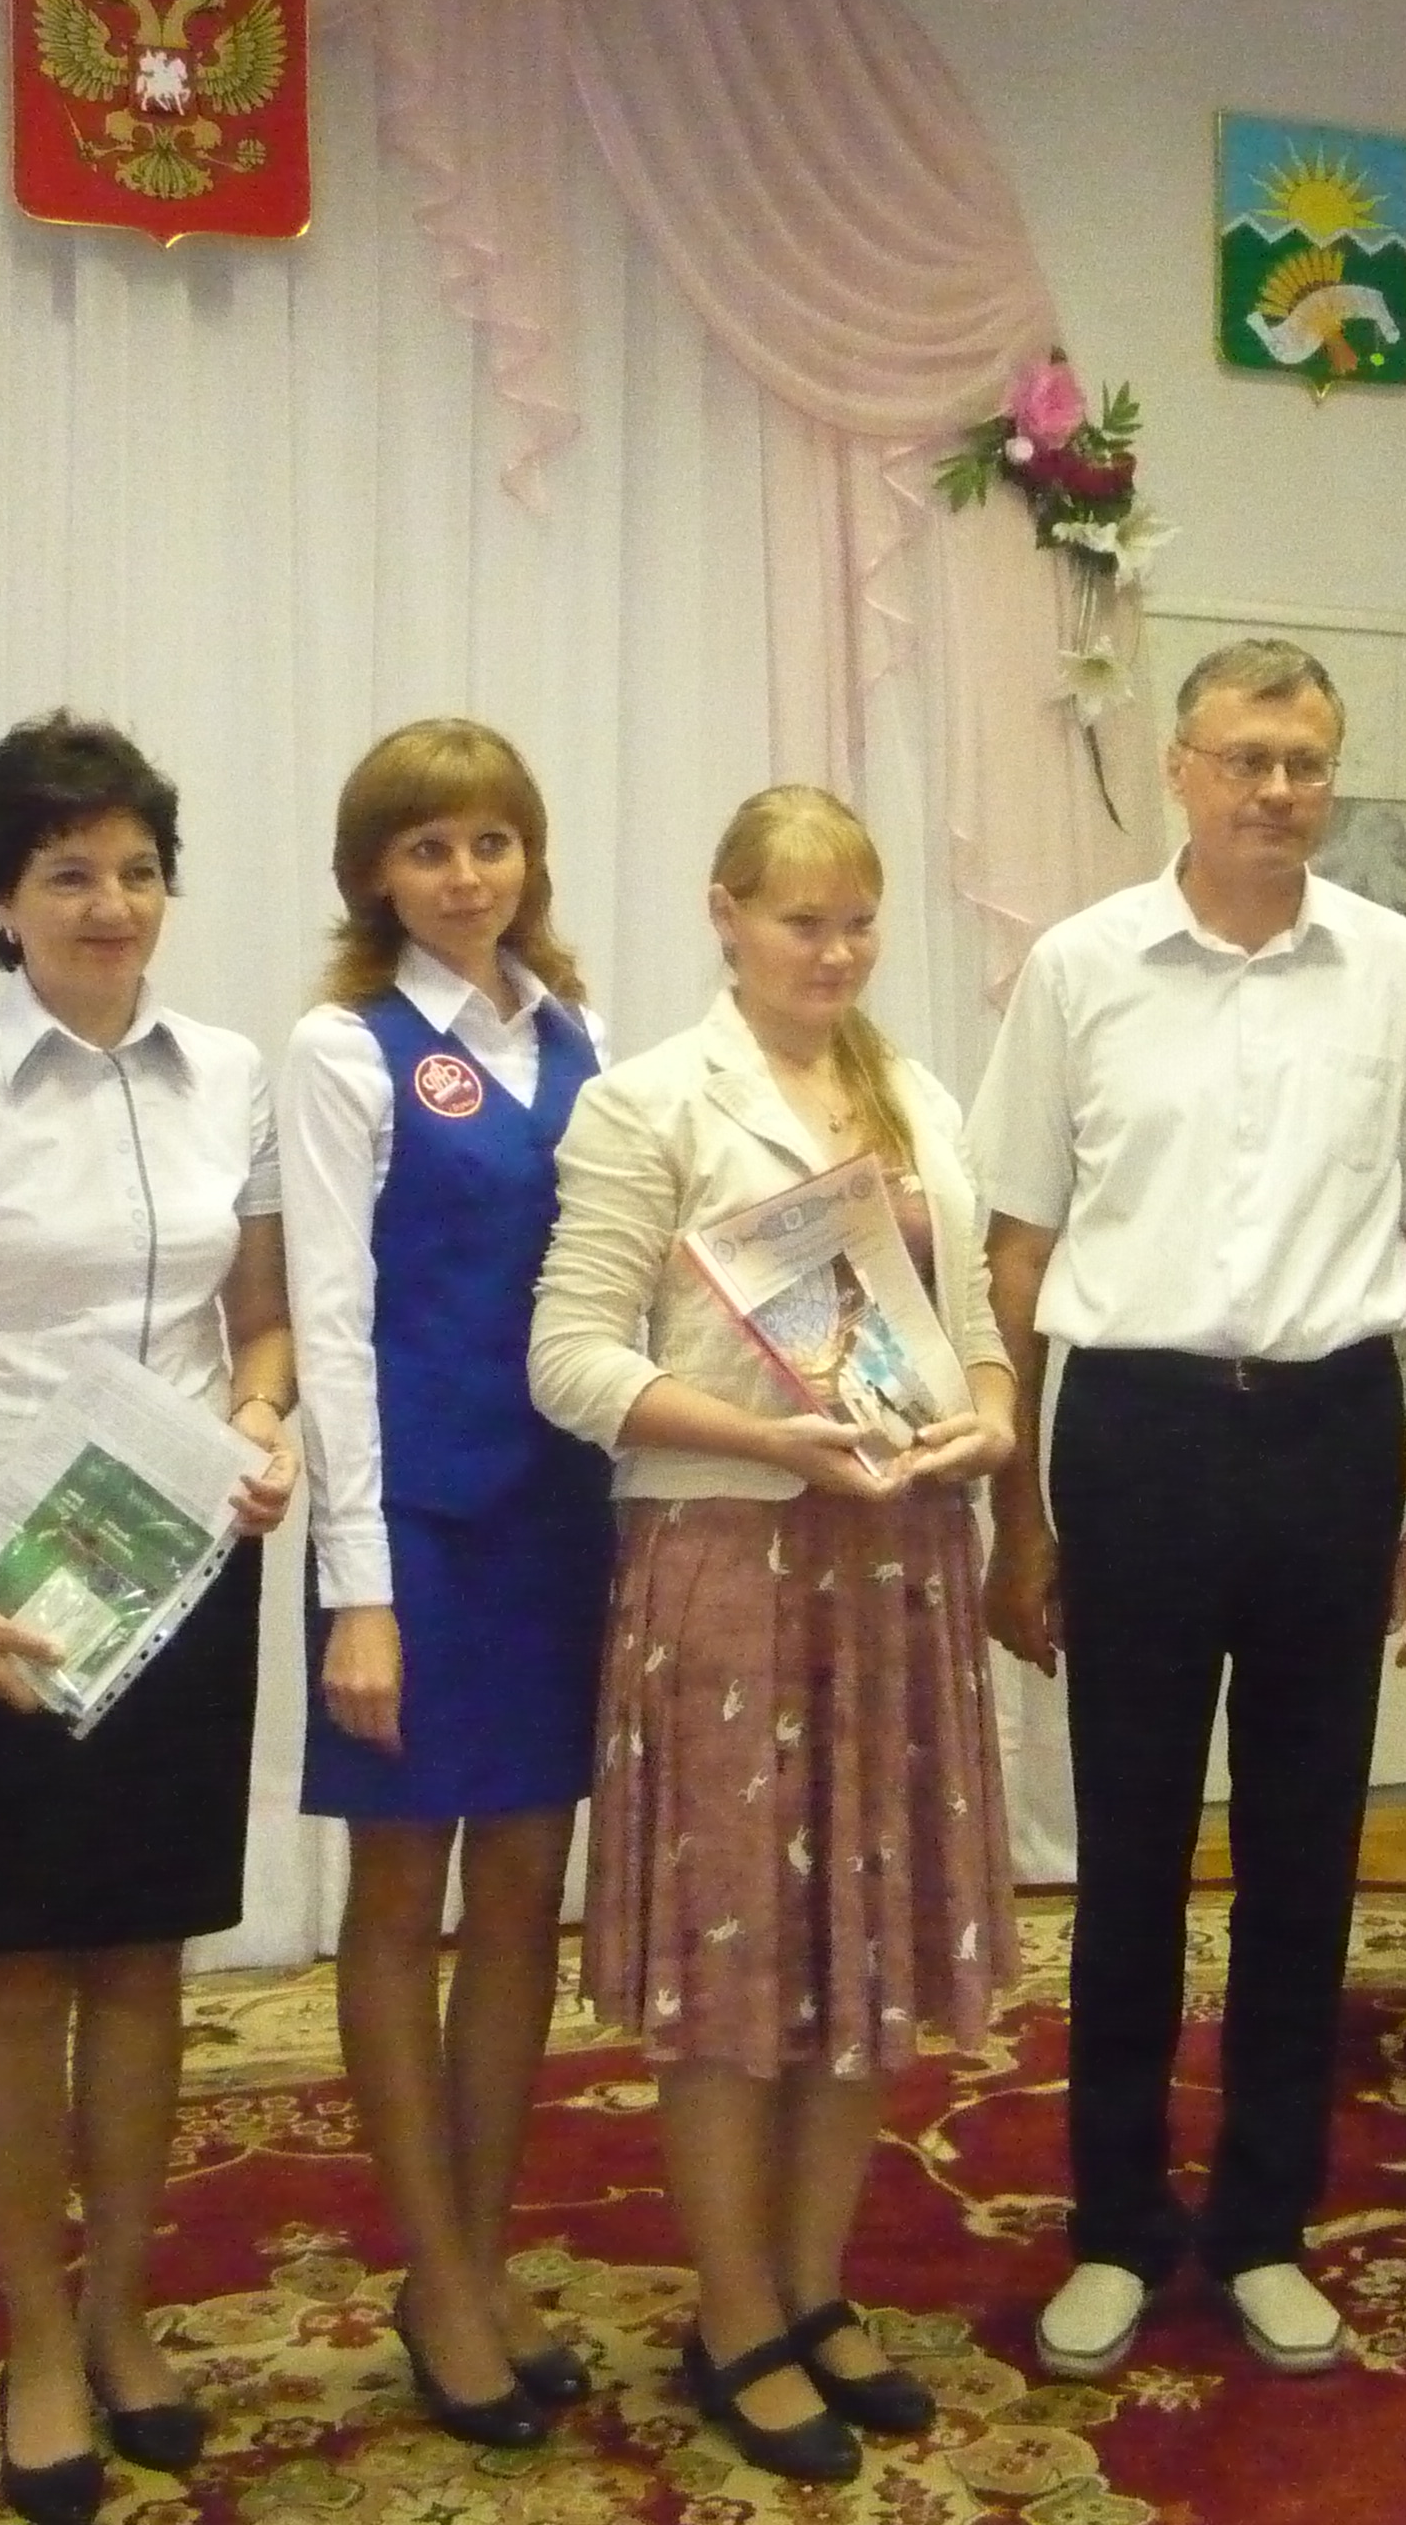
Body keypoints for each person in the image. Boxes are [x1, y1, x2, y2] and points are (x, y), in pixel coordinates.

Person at [970, 636, 1406, 2384]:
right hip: (1136, 1434)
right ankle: (1116, 2226)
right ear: (1179, 769)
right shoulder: (1080, 968)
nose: (1278, 791)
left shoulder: (1395, 969)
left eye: (1306, 763)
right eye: (1247, 758)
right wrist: (1019, 1517)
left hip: (1330, 1438)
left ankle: (1267, 2225)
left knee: (1303, 1851)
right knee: (1127, 1852)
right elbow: (1016, 1253)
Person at [0, 716, 296, 2525]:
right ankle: (35, 2336)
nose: (111, 905)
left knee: (147, 1956)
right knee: (20, 1971)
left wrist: (261, 1421)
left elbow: (263, 1324)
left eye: (138, 870)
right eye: (69, 875)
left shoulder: (229, 1073)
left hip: (172, 1561)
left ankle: (122, 2317)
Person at [527, 785, 1018, 2487]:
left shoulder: (916, 1093)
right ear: (725, 916)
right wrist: (764, 1440)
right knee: (739, 1954)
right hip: (732, 1556)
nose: (837, 951)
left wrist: (989, 1422)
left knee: (859, 1941)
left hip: (896, 1560)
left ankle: (813, 2288)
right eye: (803, 920)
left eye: (859, 920)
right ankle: (732, 2310)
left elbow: (972, 1329)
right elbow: (571, 1358)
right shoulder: (651, 1100)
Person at [279, 719, 613, 2443]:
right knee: (402, 1902)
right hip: (412, 1533)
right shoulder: (345, 1049)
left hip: (563, 1520)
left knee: (526, 1896)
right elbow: (328, 1325)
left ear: (529, 857)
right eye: (428, 849)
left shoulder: (579, 1038)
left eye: (492, 842)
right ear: (374, 877)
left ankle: (472, 2264)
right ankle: (433, 2263)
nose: (466, 876)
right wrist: (361, 1588)